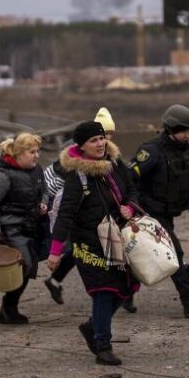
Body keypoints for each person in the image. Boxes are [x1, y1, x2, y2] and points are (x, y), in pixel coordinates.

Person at [48, 121, 140, 366]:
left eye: (101, 138)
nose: (100, 144)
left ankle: (92, 327)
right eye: (93, 140)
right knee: (104, 291)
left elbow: (131, 189)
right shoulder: (77, 176)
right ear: (81, 146)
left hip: (117, 237)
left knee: (127, 285)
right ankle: (102, 345)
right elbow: (66, 214)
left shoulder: (115, 163)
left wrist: (129, 206)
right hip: (88, 243)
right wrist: (56, 252)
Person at [130, 104, 189, 317]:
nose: (187, 135)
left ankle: (124, 293)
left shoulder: (182, 153)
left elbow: (187, 178)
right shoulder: (152, 151)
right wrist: (135, 208)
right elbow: (131, 177)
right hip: (150, 214)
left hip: (167, 212)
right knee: (174, 253)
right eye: (183, 130)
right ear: (170, 129)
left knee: (146, 256)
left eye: (188, 131)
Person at [43, 107, 116, 307]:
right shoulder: (75, 150)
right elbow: (62, 175)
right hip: (64, 199)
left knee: (78, 248)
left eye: (108, 135)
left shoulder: (105, 151)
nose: (105, 140)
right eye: (103, 135)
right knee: (78, 246)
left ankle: (55, 280)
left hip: (83, 207)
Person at [0, 132, 47, 324]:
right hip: (11, 229)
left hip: (31, 226)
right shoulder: (3, 175)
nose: (36, 155)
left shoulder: (37, 170)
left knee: (27, 267)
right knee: (25, 266)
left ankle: (8, 309)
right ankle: (9, 308)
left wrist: (43, 203)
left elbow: (44, 191)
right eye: (31, 152)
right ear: (18, 155)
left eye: (37, 151)